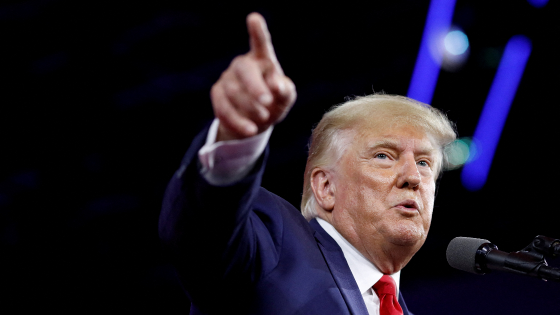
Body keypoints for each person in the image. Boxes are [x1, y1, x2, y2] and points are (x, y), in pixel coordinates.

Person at [159, 12, 456, 315]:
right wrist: (237, 138)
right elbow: (202, 233)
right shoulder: (274, 245)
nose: (413, 177)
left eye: (424, 162)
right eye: (383, 156)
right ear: (326, 187)